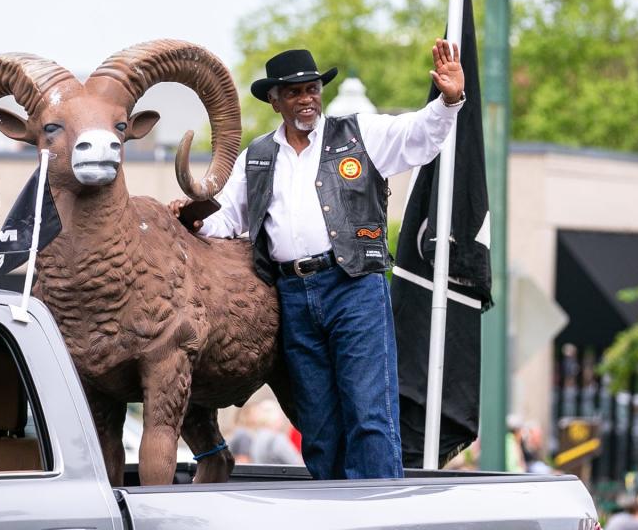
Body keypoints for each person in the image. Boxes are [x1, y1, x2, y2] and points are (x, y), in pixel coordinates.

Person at [170, 43, 465, 480]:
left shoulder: (358, 132)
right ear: (276, 100)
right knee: (319, 423)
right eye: (294, 92)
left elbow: (418, 136)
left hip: (354, 285)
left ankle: (380, 515)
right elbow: (228, 217)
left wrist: (449, 100)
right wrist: (190, 217)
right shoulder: (259, 155)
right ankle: (332, 515)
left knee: (369, 414)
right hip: (291, 292)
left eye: (312, 89)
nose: (307, 98)